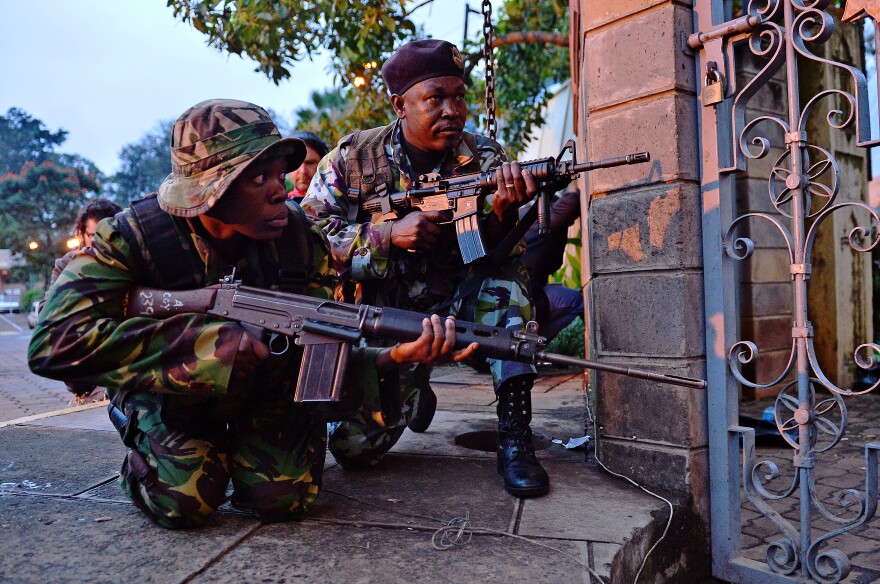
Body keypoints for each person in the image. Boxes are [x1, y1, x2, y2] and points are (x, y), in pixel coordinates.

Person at [28, 99, 475, 529]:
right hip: (169, 393)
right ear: (209, 191)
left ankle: (231, 444)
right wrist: (206, 349)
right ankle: (144, 430)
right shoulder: (133, 236)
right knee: (184, 501)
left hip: (266, 386)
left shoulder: (301, 239)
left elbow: (318, 358)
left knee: (283, 499)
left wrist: (394, 359)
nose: (281, 189)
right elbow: (54, 343)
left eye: (279, 173)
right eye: (259, 178)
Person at [301, 40, 550, 497]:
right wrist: (386, 236)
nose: (453, 111)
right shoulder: (352, 159)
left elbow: (498, 255)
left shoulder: (486, 158)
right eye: (435, 98)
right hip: (387, 317)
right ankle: (415, 388)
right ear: (400, 105)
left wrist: (501, 213)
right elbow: (309, 237)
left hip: (459, 298)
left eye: (459, 96)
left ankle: (515, 438)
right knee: (355, 452)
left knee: (506, 291)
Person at [43, 197, 122, 405]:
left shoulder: (128, 262)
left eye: (107, 236)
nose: (100, 243)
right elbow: (47, 312)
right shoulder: (67, 265)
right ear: (81, 234)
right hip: (84, 370)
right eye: (93, 236)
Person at [522, 189, 584, 341]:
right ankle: (531, 348)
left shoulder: (521, 215)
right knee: (575, 301)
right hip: (524, 300)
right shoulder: (538, 220)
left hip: (516, 297)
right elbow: (572, 201)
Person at [286, 130, 329, 201]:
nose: (303, 171)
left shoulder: (339, 203)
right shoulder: (279, 205)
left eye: (310, 163)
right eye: (297, 162)